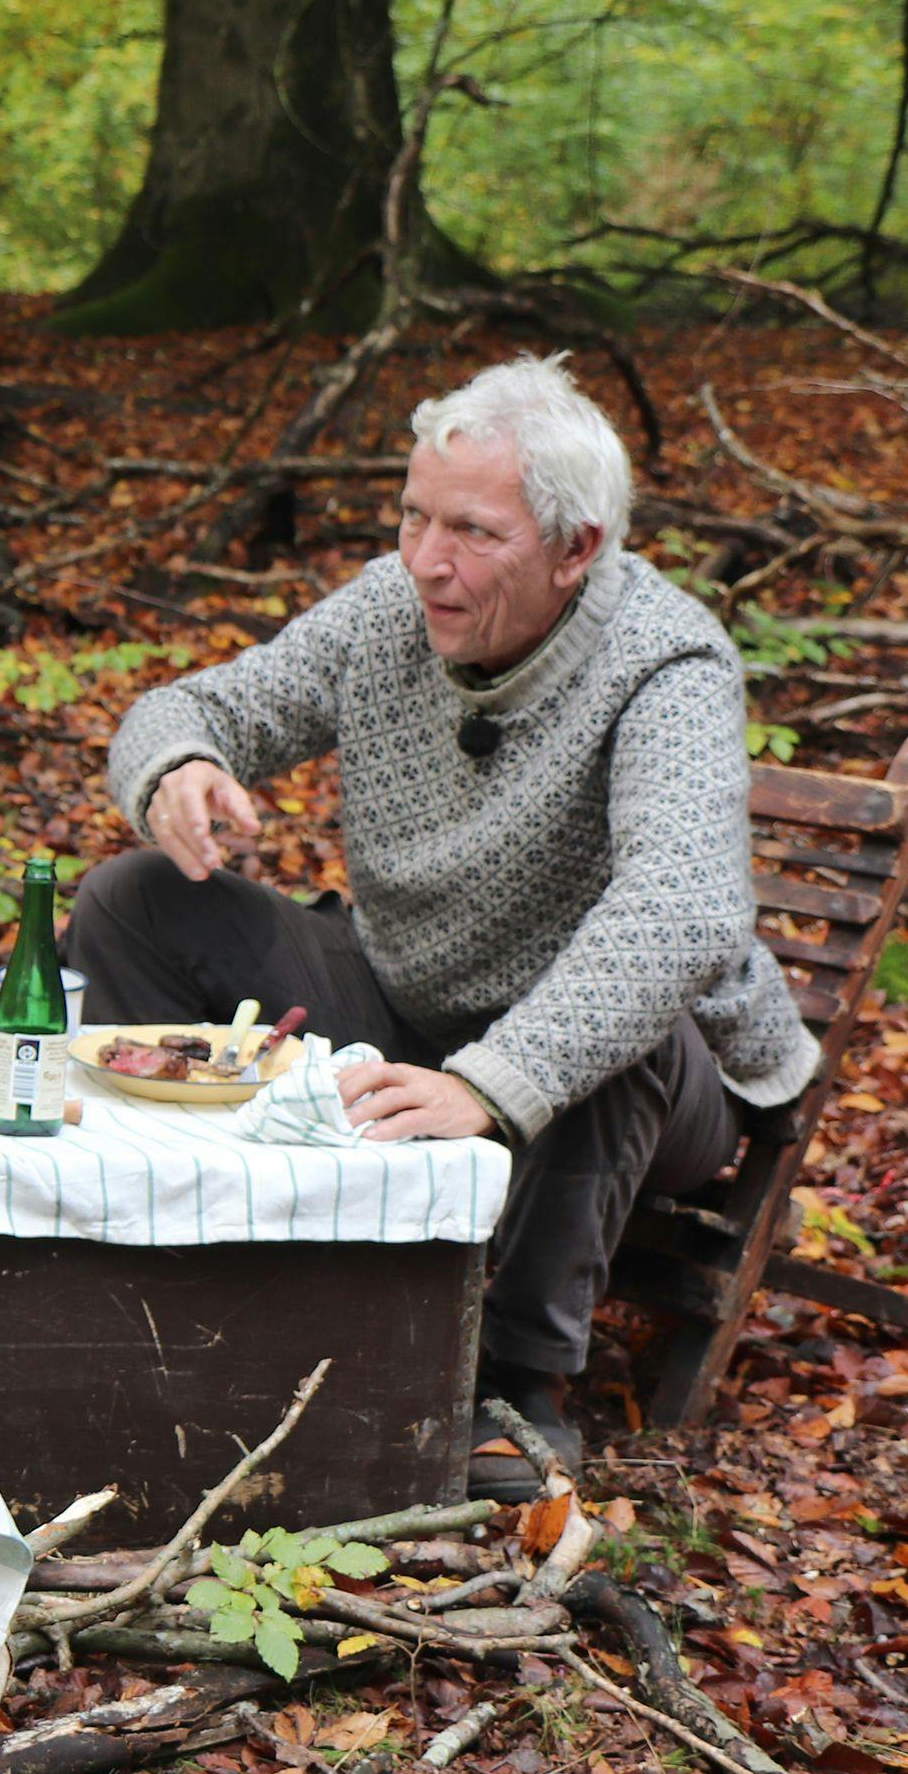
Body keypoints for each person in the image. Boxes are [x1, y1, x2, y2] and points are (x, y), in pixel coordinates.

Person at [73, 355, 812, 1466]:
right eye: (414, 516)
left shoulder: (667, 659)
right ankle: (184, 1250)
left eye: (472, 531)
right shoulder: (390, 607)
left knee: (630, 1017)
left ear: (578, 550)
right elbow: (201, 702)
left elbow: (680, 912)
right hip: (408, 994)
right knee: (133, 900)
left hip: (641, 1091)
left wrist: (488, 1083)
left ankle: (519, 1390)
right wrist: (179, 761)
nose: (427, 561)